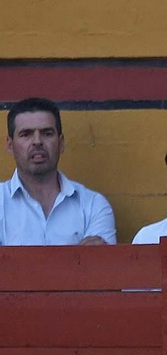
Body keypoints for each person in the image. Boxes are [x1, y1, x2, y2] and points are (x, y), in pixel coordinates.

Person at [1, 97, 116, 246]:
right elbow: (85, 266)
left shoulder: (93, 206)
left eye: (47, 133)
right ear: (10, 145)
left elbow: (99, 267)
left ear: (61, 143)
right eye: (26, 134)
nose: (37, 141)